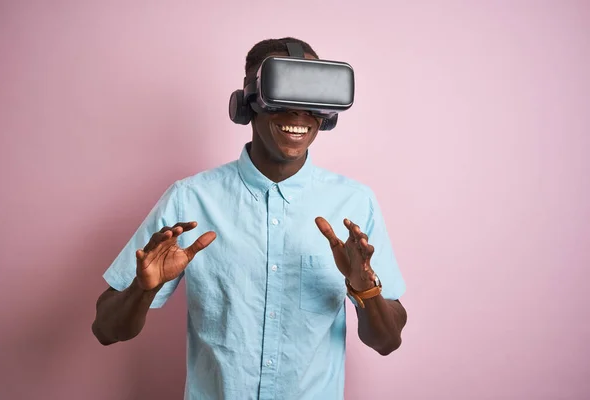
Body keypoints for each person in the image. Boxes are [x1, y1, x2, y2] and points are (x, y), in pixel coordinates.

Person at [92, 37, 408, 400]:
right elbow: (105, 329)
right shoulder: (189, 200)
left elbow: (387, 342)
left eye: (311, 104)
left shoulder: (354, 203)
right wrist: (142, 290)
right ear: (246, 105)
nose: (298, 116)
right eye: (284, 99)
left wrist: (365, 287)